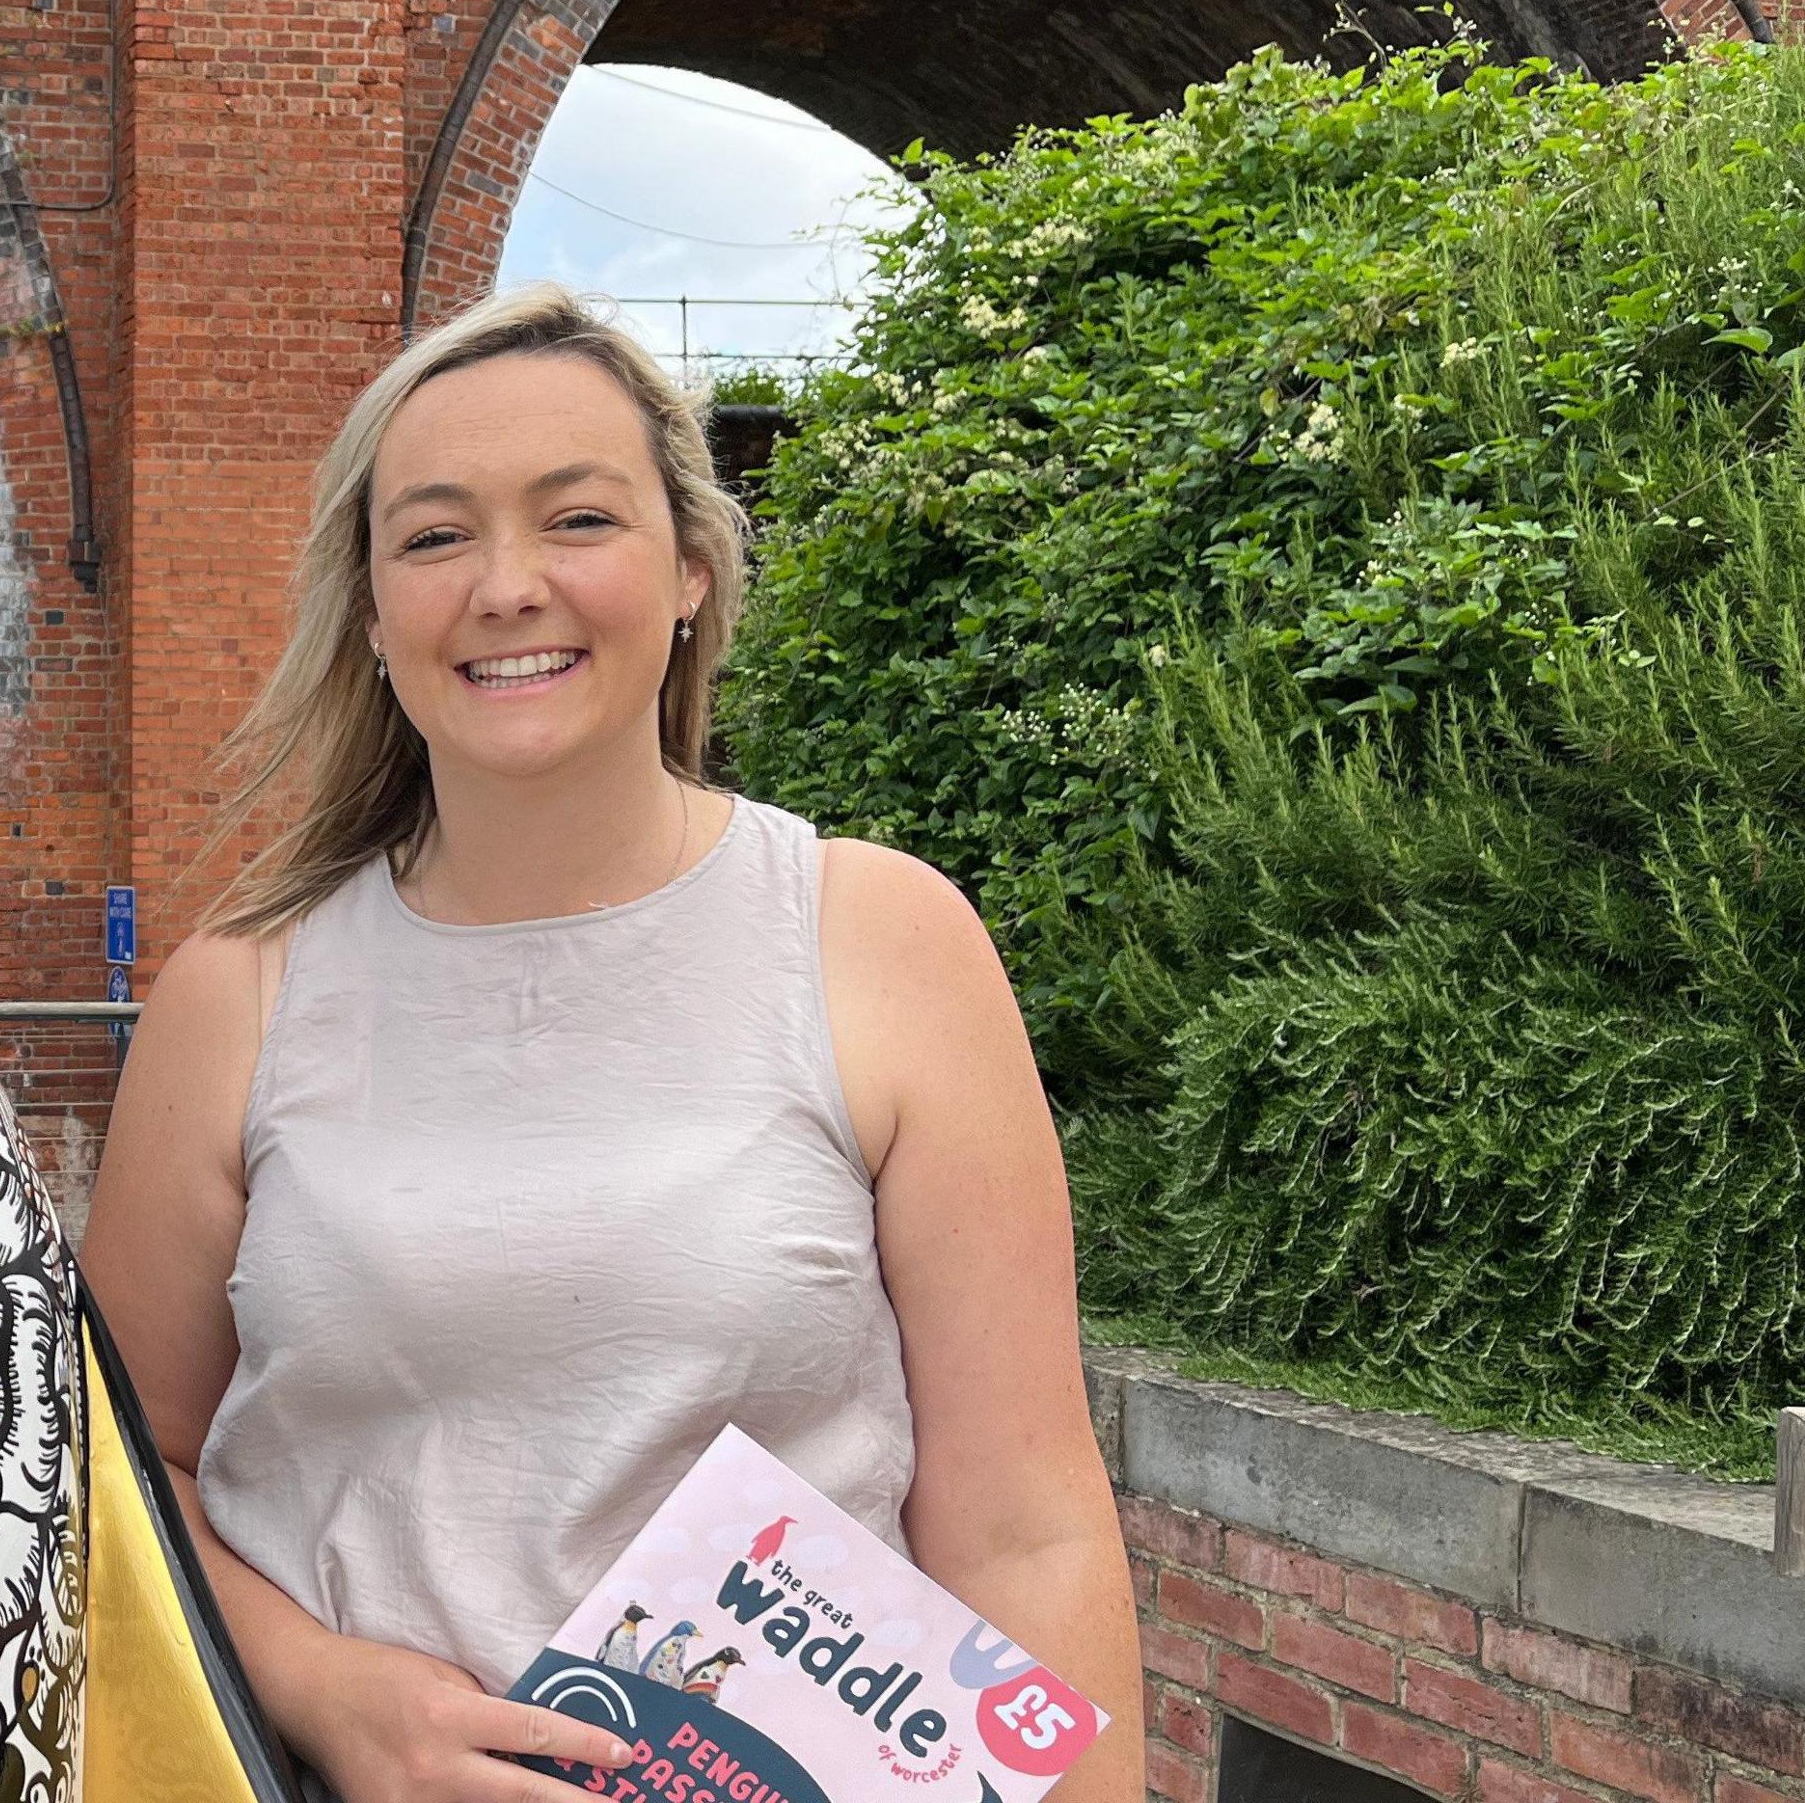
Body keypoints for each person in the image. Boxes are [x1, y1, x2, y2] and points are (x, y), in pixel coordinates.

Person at [78, 285, 1143, 1803]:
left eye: (577, 519)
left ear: (694, 568)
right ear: (373, 614)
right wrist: (330, 1697)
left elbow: (1026, 1524)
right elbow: (120, 1475)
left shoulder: (879, 941)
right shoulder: (239, 994)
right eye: (435, 537)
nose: (508, 586)